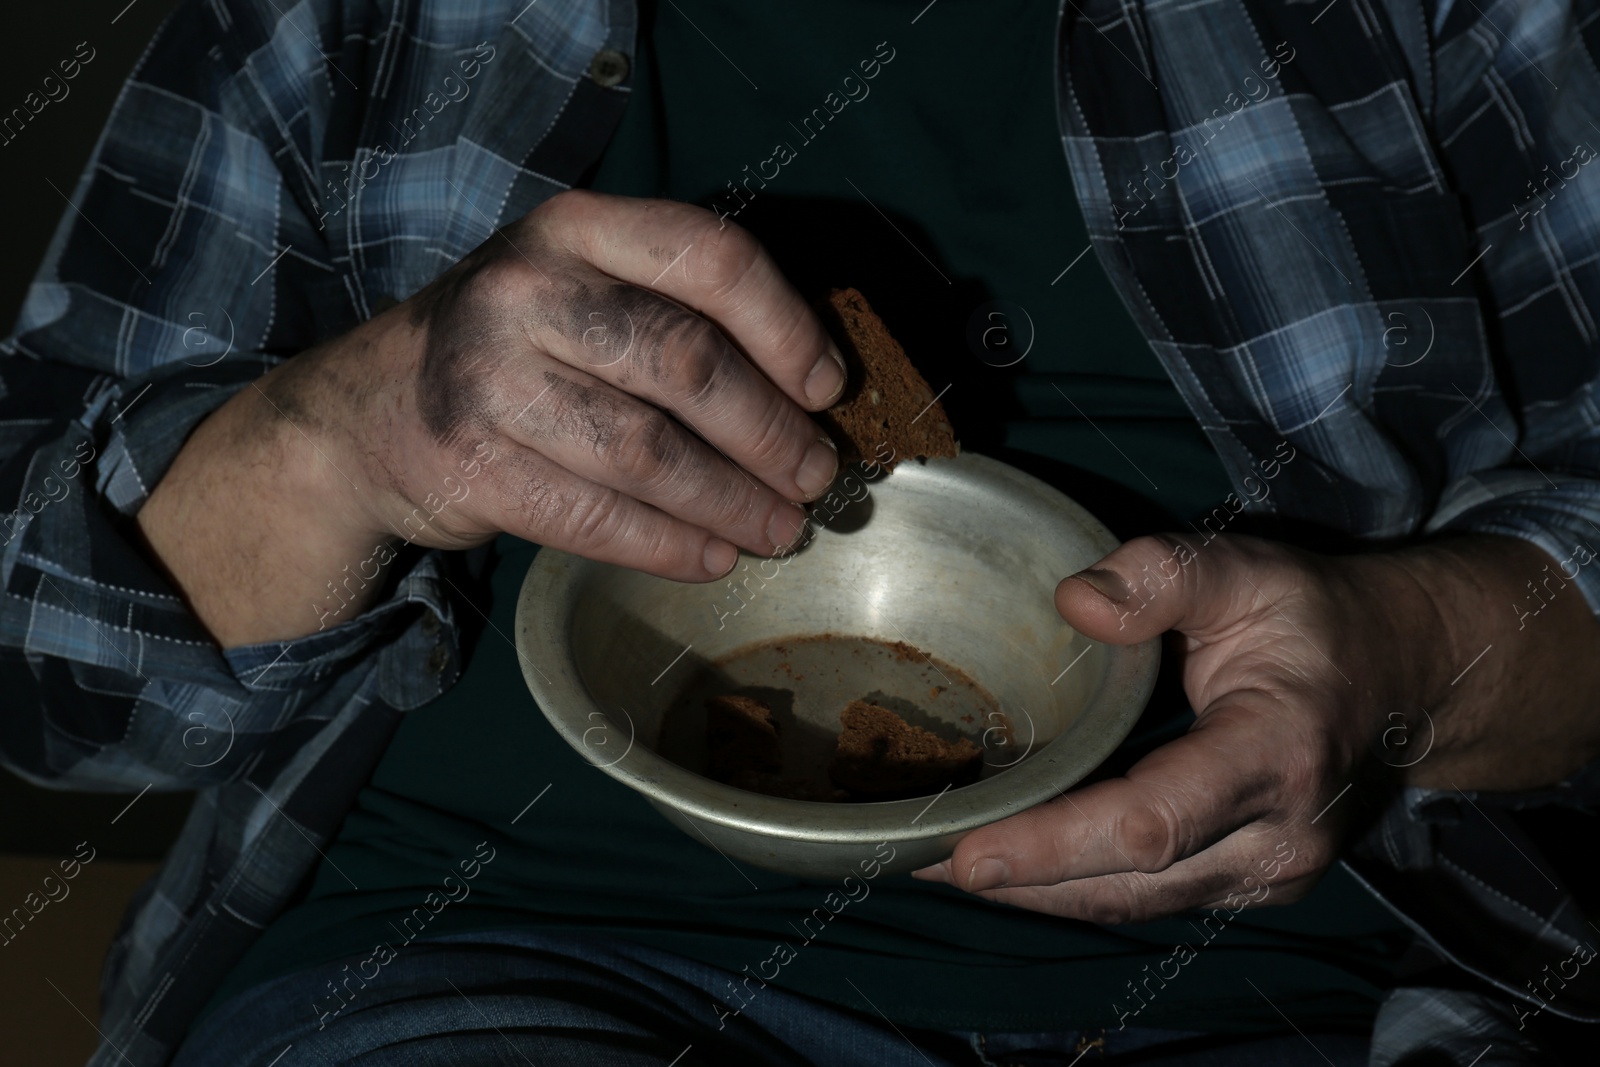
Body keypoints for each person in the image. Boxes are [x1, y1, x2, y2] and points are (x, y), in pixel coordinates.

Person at [4, 0, 1600, 1064]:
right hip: (489, 957)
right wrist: (331, 443)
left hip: (1304, 983)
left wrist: (1401, 658)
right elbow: (45, 688)